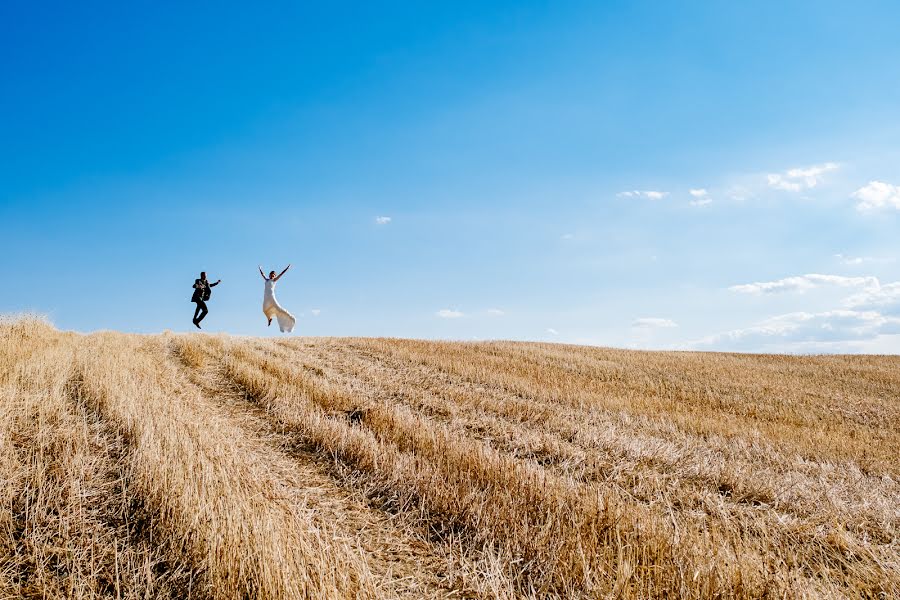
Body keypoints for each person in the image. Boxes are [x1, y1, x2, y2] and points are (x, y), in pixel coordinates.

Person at [259, 264, 296, 333]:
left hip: (272, 297)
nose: (272, 276)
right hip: (266, 297)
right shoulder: (267, 280)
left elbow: (282, 273)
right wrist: (260, 269)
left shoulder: (274, 280)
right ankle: (269, 319)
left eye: (273, 275)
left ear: (275, 276)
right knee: (264, 310)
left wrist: (287, 268)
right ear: (269, 275)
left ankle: (292, 318)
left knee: (279, 309)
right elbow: (262, 274)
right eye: (271, 274)